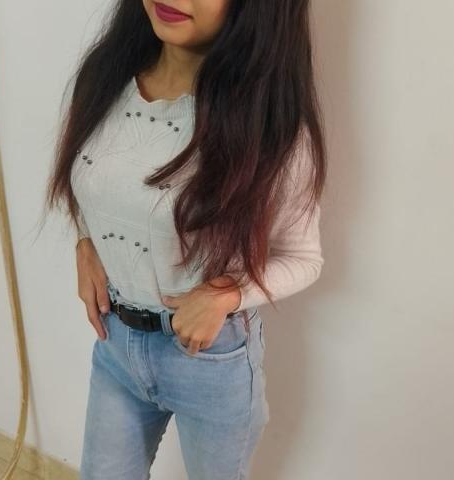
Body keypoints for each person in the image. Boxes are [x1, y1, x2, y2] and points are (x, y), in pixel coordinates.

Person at [45, 1, 327, 478]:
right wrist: (86, 240)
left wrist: (225, 294)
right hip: (116, 344)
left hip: (210, 359)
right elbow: (92, 180)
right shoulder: (104, 78)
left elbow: (303, 256)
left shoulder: (271, 125)